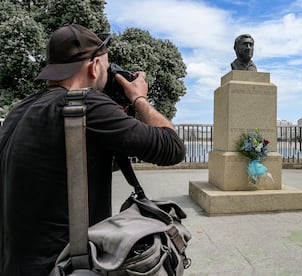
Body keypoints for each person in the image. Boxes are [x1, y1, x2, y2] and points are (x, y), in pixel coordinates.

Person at [0, 24, 186, 275]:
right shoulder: (85, 103)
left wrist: (120, 118)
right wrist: (139, 98)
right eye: (107, 68)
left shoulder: (19, 111)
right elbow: (173, 148)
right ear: (94, 66)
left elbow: (80, 166)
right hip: (65, 266)